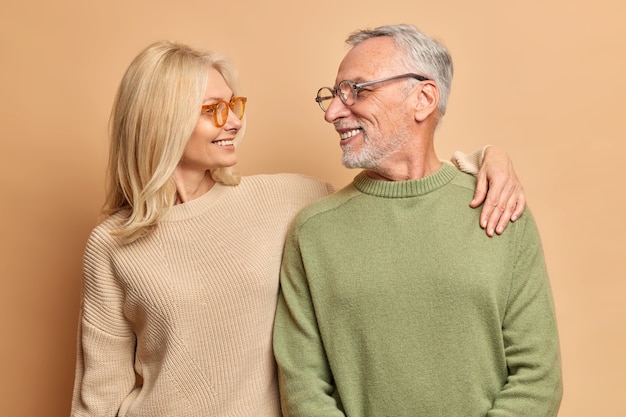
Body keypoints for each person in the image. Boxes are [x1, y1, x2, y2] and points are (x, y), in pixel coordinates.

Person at [70, 40, 526, 417]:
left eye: (234, 104)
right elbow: (99, 397)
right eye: (213, 109)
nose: (234, 120)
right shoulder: (113, 245)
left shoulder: (292, 199)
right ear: (161, 121)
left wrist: (486, 159)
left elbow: (398, 187)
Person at [273, 24, 562, 417]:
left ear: (423, 98)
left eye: (356, 90)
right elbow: (304, 387)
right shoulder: (312, 231)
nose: (333, 112)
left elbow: (538, 376)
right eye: (334, 94)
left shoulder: (500, 207)